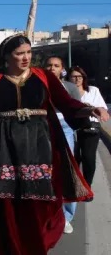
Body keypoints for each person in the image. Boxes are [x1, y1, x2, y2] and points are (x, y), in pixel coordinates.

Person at [0, 35, 107, 255]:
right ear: (7, 56)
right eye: (20, 53)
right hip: (2, 147)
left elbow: (67, 104)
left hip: (38, 147)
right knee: (4, 203)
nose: (26, 57)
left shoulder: (44, 77)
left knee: (37, 203)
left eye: (28, 52)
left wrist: (89, 109)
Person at [44, 55, 83, 234]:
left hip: (65, 128)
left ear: (62, 69)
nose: (52, 68)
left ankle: (66, 217)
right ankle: (48, 215)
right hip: (43, 129)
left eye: (56, 65)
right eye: (49, 65)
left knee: (67, 170)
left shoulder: (70, 87)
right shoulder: (38, 85)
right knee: (44, 172)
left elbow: (76, 109)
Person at [68, 65, 107, 188]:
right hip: (72, 128)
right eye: (74, 76)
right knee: (74, 158)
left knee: (88, 158)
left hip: (90, 128)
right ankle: (75, 184)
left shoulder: (93, 90)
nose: (77, 79)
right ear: (68, 78)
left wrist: (92, 108)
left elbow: (102, 107)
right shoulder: (65, 92)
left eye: (80, 76)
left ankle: (87, 186)